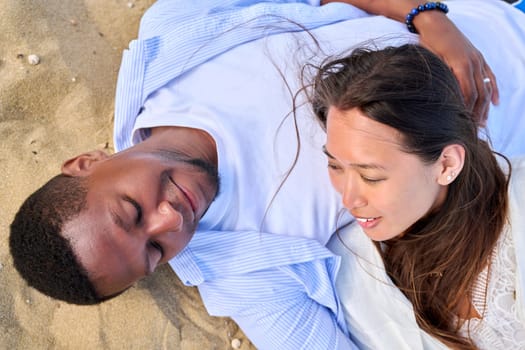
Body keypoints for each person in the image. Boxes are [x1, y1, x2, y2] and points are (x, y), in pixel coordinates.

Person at [9, 0, 525, 348]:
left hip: (493, 17)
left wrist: (429, 16)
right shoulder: (244, 276)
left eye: (132, 210)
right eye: (154, 252)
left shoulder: (175, 37)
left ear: (87, 163)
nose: (170, 220)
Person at [312, 43, 525, 349]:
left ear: (447, 164)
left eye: (371, 176)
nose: (349, 199)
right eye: (335, 165)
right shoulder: (354, 272)